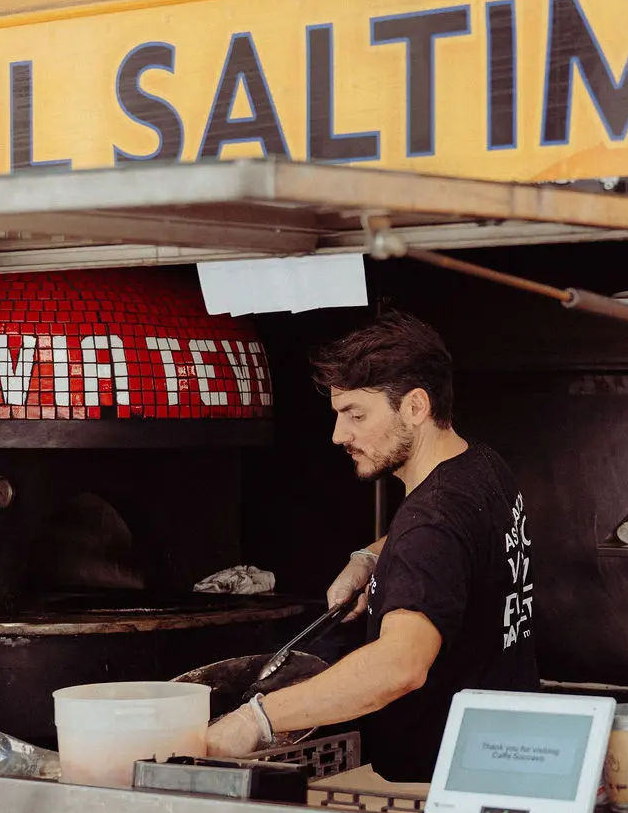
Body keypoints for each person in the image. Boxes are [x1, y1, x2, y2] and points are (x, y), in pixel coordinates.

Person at [206, 311, 537, 781]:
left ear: (415, 406)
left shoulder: (432, 522)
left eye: (356, 415)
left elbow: (398, 667)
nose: (340, 435)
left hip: (438, 784)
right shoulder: (478, 468)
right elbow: (456, 537)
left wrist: (255, 719)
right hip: (501, 758)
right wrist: (372, 557)